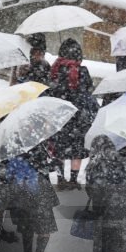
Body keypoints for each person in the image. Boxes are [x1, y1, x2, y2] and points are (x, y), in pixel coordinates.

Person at [48, 38, 97, 189]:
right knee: (77, 147)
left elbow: (52, 89)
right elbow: (88, 91)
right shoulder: (82, 71)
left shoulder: (56, 69)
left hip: (61, 112)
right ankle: (74, 180)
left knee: (61, 145)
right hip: (79, 114)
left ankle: (62, 177)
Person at [6, 146, 58, 252]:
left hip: (20, 192)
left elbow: (8, 175)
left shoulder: (13, 151)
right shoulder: (38, 148)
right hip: (38, 190)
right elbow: (46, 170)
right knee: (44, 226)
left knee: (26, 226)